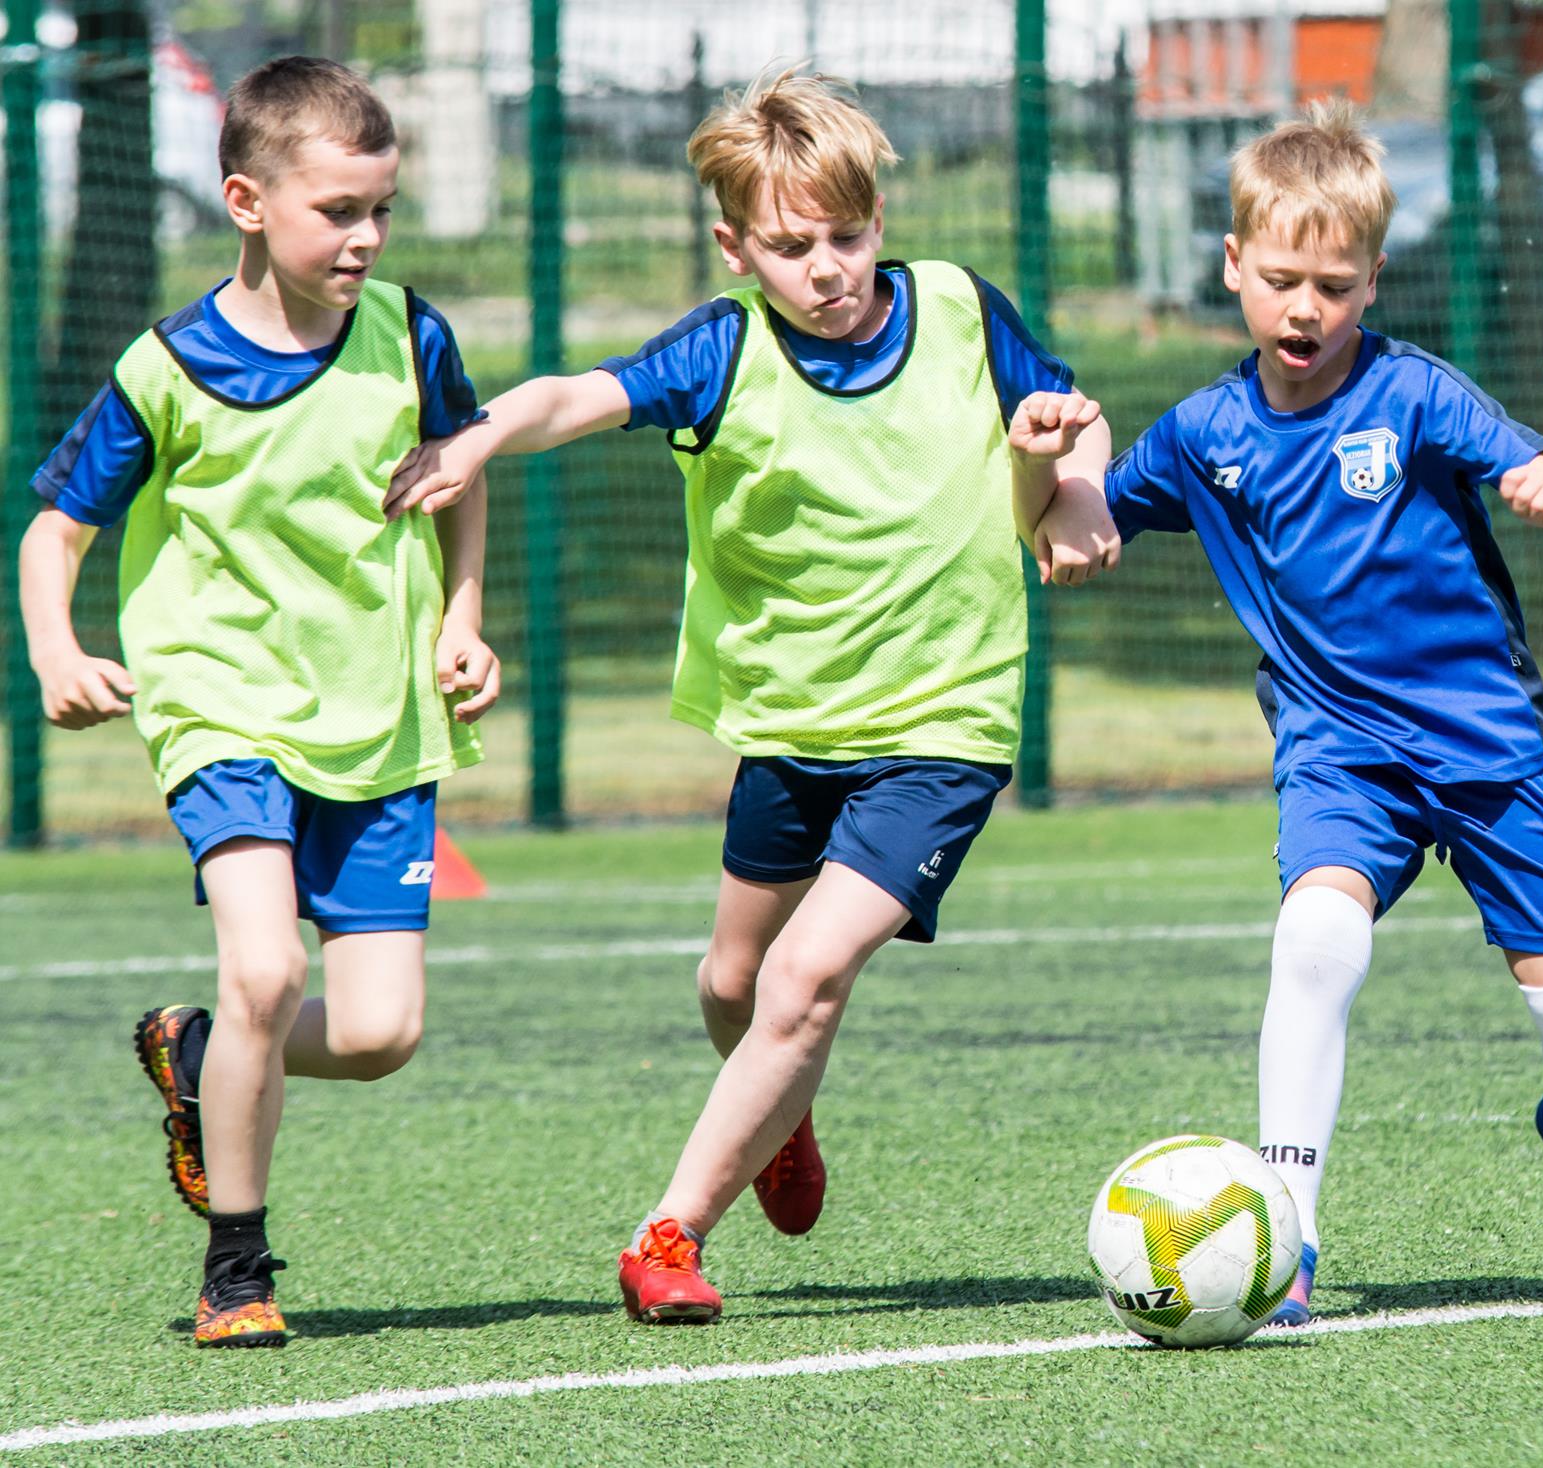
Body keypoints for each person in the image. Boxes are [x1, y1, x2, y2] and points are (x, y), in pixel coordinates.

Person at [382, 68, 1119, 1323]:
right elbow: (574, 395)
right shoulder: (724, 348)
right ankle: (780, 1110)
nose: (826, 268)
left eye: (847, 237)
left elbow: (1069, 415)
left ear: (880, 221)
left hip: (944, 724)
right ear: (735, 249)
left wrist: (1080, 485)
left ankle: (666, 1235)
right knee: (734, 984)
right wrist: (478, 434)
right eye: (790, 247)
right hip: (789, 724)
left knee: (805, 980)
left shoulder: (958, 308)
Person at [1099, 103, 1543, 1328]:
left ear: (1374, 280)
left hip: (1489, 744)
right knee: (1315, 942)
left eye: (1334, 287)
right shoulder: (1200, 433)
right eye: (1281, 280)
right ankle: (1286, 1237)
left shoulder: (1413, 393)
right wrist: (1050, 482)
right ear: (1231, 265)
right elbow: (1086, 522)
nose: (1305, 309)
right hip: (1338, 748)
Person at [17, 56, 498, 1347]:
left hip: (380, 717)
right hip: (220, 704)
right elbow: (57, 528)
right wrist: (58, 651)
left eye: (380, 209)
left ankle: (195, 1052)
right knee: (268, 968)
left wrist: (460, 618)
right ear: (246, 201)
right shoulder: (166, 365)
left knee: (383, 1032)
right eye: (337, 211)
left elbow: (459, 472)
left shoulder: (412, 334)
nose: (366, 237)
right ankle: (237, 1269)